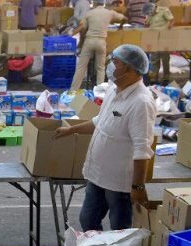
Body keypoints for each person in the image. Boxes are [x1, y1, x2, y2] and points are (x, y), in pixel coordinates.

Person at [55, 45, 155, 232]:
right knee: (88, 221)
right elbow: (100, 121)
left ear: (131, 68)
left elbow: (142, 150)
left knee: (119, 229)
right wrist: (71, 130)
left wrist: (137, 187)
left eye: (116, 62)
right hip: (97, 175)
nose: (111, 66)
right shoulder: (113, 89)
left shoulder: (141, 102)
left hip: (119, 182)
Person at [70, 0, 127, 90]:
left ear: (95, 3)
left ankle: (73, 90)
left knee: (81, 67)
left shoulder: (89, 13)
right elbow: (124, 18)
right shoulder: (109, 13)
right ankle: (99, 91)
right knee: (100, 68)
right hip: (101, 42)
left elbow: (82, 28)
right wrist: (120, 26)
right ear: (103, 3)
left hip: (89, 41)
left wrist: (74, 37)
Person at [145, 2, 173, 83]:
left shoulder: (164, 10)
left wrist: (168, 29)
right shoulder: (150, 14)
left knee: (165, 60)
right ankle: (154, 78)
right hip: (154, 39)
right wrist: (148, 17)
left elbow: (172, 20)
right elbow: (147, 24)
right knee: (154, 59)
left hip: (164, 39)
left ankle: (166, 78)